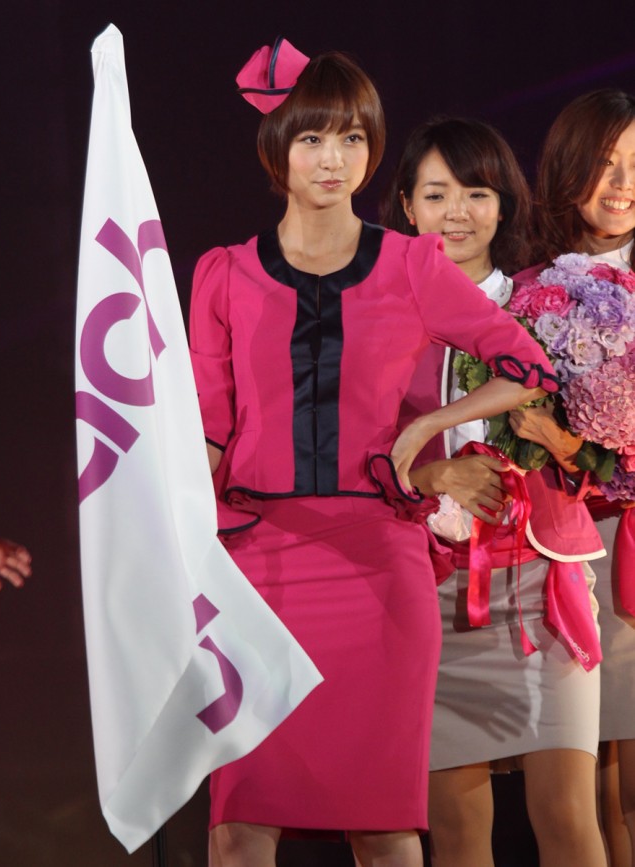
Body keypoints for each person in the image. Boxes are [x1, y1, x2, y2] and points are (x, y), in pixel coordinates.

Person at [190, 41, 558, 867]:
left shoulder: (411, 264)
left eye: (353, 138)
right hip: (255, 568)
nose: (334, 158)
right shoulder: (223, 274)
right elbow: (209, 433)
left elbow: (528, 368)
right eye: (313, 138)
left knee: (384, 826)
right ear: (276, 148)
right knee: (238, 826)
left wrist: (425, 429)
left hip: (379, 568)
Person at [381, 116, 607, 867]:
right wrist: (428, 475)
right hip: (430, 592)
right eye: (436, 194)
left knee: (569, 819)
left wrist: (557, 438)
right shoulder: (375, 317)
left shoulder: (555, 304)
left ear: (503, 203)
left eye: (477, 193)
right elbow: (351, 456)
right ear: (406, 206)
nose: (458, 213)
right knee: (457, 835)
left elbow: (600, 458)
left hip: (544, 585)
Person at [512, 89, 635, 866]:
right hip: (575, 550)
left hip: (629, 546)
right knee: (596, 791)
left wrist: (576, 442)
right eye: (606, 162)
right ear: (568, 168)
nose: (623, 183)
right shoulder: (529, 293)